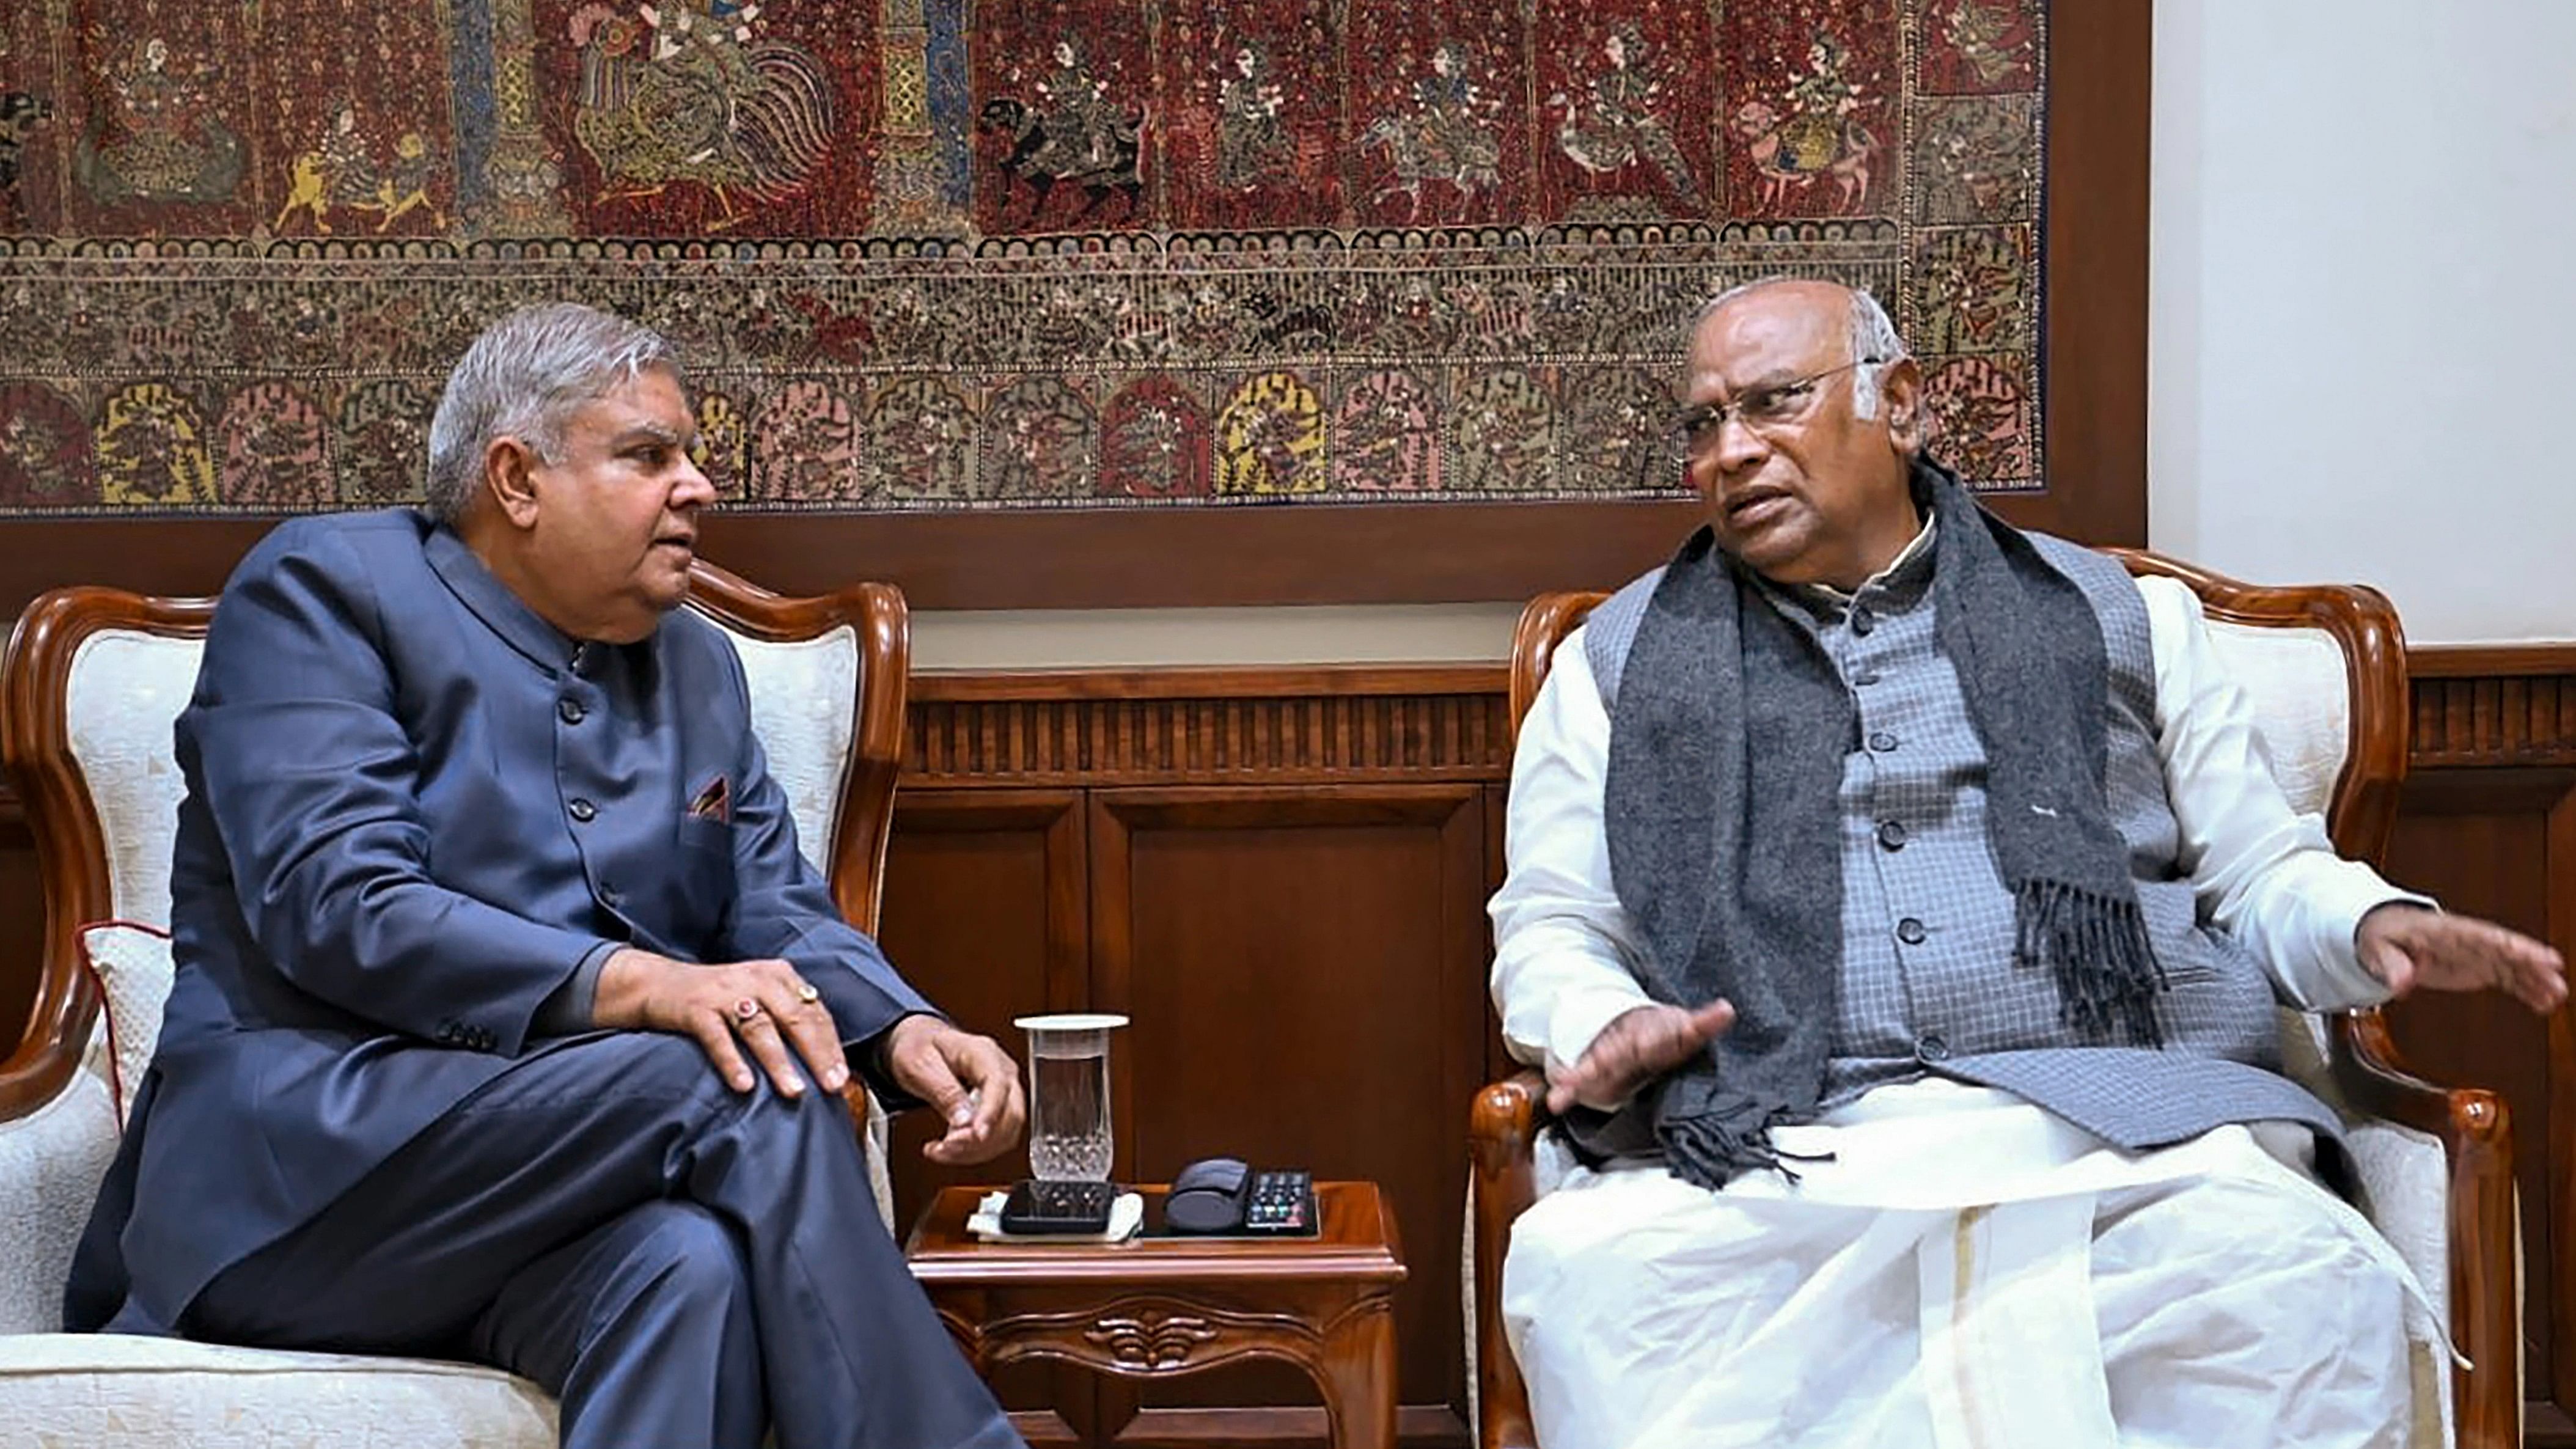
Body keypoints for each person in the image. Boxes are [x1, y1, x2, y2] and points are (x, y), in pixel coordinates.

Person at [1488, 277, 2567, 1449]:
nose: (1732, 452)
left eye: (1773, 404)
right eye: (1705, 423)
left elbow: (2258, 874)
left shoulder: (2128, 618)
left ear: (1900, 405)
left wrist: (2368, 927)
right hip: (1788, 1143)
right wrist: (1600, 1026)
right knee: (1603, 1279)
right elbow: (1556, 924)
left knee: (2288, 1288)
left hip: (2122, 1126)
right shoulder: (1616, 663)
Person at [63, 302, 1030, 1449]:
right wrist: (647, 986)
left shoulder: (700, 668)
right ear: (516, 479)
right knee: (738, 1072)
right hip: (304, 1188)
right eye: (649, 454)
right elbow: (338, 905)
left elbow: (769, 909)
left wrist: (900, 1031)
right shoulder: (323, 594)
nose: (700, 485)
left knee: (689, 1270)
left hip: (545, 1198)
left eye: (692, 453)